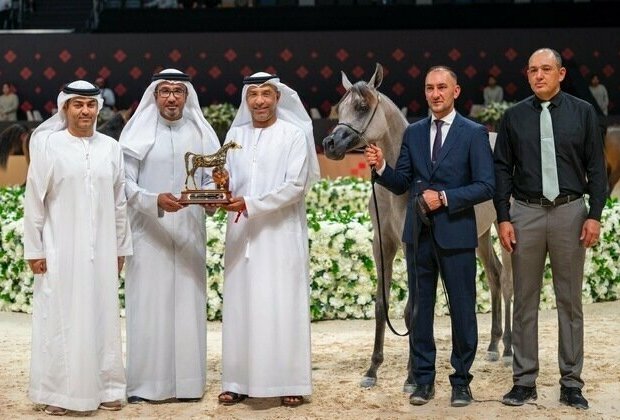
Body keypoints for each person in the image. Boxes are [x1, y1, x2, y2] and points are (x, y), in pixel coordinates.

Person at [364, 66, 495, 407]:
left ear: (456, 91)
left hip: (457, 234)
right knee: (420, 311)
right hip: (418, 235)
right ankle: (423, 380)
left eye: (442, 87)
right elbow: (402, 181)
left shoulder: (473, 133)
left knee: (463, 312)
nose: (435, 94)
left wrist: (447, 198)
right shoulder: (415, 133)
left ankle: (461, 381)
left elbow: (486, 185)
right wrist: (381, 168)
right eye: (429, 88)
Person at [494, 48, 607, 410]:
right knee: (524, 301)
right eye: (532, 70)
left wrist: (595, 214)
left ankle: (571, 382)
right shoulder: (513, 117)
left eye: (546, 69)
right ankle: (524, 381)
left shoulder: (583, 112)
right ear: (527, 75)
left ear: (560, 73)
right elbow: (501, 171)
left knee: (569, 303)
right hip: (524, 213)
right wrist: (503, 217)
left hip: (570, 213)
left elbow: (597, 169)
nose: (539, 75)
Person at [22, 80, 132, 415]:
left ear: (98, 108)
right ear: (65, 108)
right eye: (78, 104)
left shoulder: (110, 148)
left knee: (102, 316)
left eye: (90, 105)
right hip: (60, 249)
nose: (85, 111)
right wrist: (35, 249)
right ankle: (60, 393)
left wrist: (120, 248)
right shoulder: (49, 145)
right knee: (62, 319)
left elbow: (119, 203)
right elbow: (34, 201)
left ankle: (108, 387)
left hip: (101, 251)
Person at [216, 72, 320, 408]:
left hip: (279, 235)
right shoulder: (235, 135)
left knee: (281, 306)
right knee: (241, 307)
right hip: (241, 235)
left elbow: (295, 187)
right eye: (253, 95)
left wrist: (250, 204)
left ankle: (290, 381)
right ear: (246, 100)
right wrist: (221, 186)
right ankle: (237, 381)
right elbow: (231, 182)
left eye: (266, 94)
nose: (259, 101)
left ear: (278, 98)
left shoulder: (293, 134)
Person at [118, 68, 220, 403]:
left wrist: (213, 199)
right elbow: (125, 185)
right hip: (149, 235)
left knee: (188, 306)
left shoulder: (201, 132)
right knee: (149, 307)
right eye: (165, 91)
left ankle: (188, 385)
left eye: (178, 91)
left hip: (190, 234)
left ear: (187, 96)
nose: (172, 97)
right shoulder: (138, 133)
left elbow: (208, 182)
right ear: (154, 96)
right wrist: (153, 200)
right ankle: (147, 386)